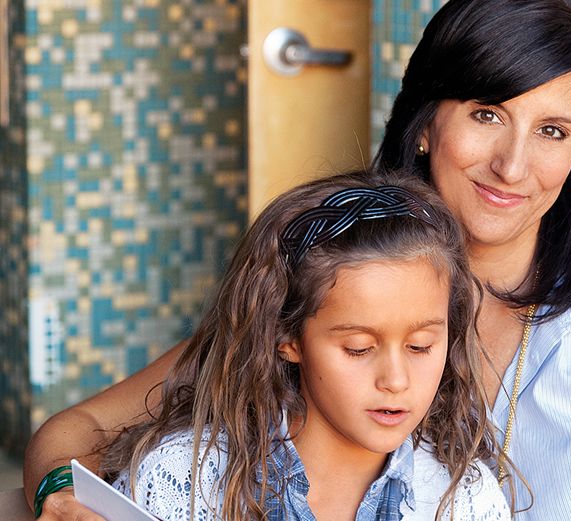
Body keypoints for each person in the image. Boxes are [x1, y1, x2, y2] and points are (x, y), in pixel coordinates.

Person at [25, 0, 571, 520]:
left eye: (553, 131)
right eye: (487, 114)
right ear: (428, 123)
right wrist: (60, 495)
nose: (512, 164)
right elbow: (70, 434)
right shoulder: (332, 278)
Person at [103, 171, 512, 520]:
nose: (396, 380)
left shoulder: (464, 500)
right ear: (287, 336)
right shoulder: (186, 480)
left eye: (420, 346)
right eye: (358, 348)